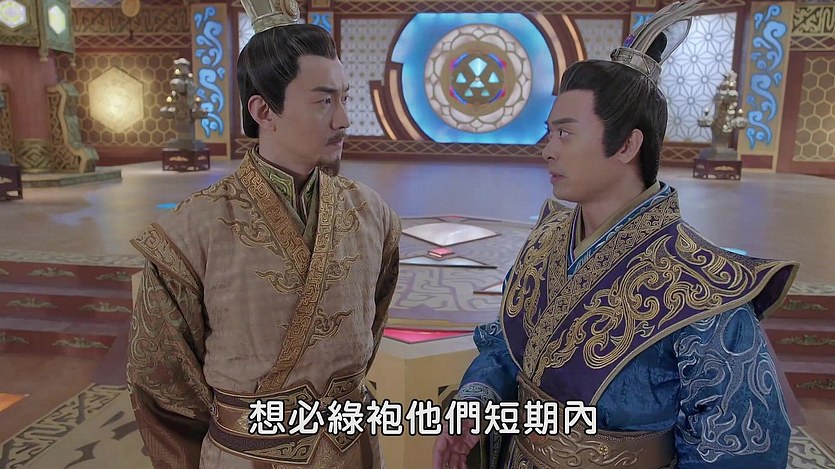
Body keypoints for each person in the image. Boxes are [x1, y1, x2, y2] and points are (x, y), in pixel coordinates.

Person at [433, 1, 798, 468]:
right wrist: (475, 404)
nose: (546, 150)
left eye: (565, 134)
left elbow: (738, 449)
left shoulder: (706, 292)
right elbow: (510, 346)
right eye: (549, 133)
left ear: (627, 145)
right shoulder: (547, 240)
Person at [127, 0, 401, 467]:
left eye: (344, 97)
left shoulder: (373, 214)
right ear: (262, 110)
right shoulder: (193, 230)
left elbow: (371, 325)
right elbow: (165, 385)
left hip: (351, 451)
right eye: (324, 101)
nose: (344, 120)